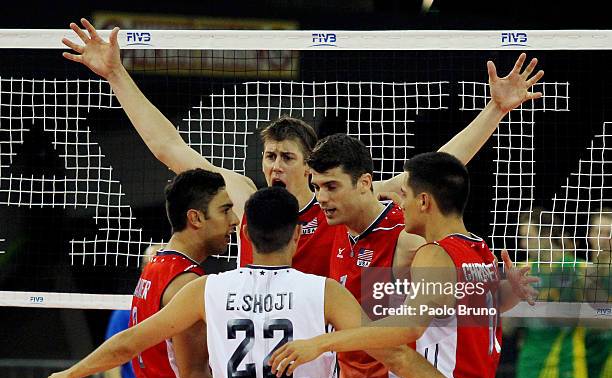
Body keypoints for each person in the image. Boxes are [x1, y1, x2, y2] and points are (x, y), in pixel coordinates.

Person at [60, 18, 543, 279]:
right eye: (269, 156)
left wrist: (495, 111)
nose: (274, 166)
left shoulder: (344, 201)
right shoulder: (245, 197)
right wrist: (117, 75)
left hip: (330, 352)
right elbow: (169, 147)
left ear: (310, 168)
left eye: (286, 157)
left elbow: (442, 165)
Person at [41, 187, 510, 378]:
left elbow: (131, 342)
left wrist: (72, 372)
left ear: (246, 231)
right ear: (296, 238)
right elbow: (399, 357)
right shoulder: (323, 292)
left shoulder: (208, 288)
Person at [270, 152, 538, 378]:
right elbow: (473, 315)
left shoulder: (434, 254)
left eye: (404, 195)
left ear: (423, 202)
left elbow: (409, 327)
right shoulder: (480, 251)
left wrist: (320, 343)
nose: (400, 204)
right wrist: (510, 293)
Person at [122, 169, 238, 378]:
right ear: (195, 218)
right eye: (225, 210)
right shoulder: (185, 282)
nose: (234, 221)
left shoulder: (155, 267)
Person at [507, 208, 590, 378]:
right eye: (522, 238)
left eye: (529, 237)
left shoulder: (580, 269)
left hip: (567, 368)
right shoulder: (522, 270)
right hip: (528, 368)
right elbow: (507, 329)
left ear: (546, 235)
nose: (524, 244)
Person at [103, 244, 160, 378]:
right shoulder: (125, 312)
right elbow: (111, 370)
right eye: (149, 263)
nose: (153, 267)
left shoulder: (182, 309)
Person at [584, 210, 612, 378]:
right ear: (589, 235)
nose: (603, 238)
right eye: (599, 232)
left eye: (608, 232)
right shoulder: (578, 271)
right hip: (583, 361)